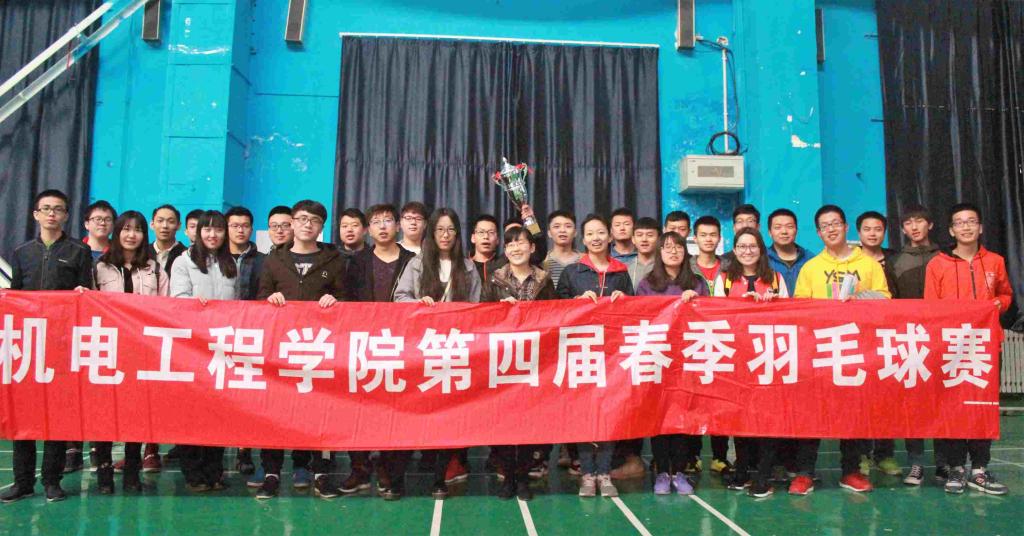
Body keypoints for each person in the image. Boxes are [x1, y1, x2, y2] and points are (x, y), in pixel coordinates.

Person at [791, 204, 891, 495]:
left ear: (846, 227)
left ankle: (851, 471)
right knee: (812, 413)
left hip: (857, 349)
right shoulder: (811, 267)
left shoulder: (869, 265)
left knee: (853, 413)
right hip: (820, 350)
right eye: (825, 226)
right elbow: (799, 308)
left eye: (836, 223)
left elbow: (885, 299)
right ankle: (805, 473)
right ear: (818, 232)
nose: (831, 229)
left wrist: (860, 297)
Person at [1, 189, 93, 503]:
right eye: (46, 209)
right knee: (24, 416)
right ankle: (22, 482)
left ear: (66, 215)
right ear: (36, 214)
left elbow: (86, 296)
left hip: (62, 344)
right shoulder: (22, 252)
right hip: (28, 346)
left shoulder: (78, 252)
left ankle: (52, 480)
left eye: (58, 209)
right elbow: (13, 299)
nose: (52, 214)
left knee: (57, 415)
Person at [254, 200, 348, 500]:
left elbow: (347, 301)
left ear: (322, 227)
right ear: (292, 223)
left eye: (315, 220)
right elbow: (261, 297)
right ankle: (271, 473)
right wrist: (270, 299)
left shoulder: (334, 260)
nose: (308, 224)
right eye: (303, 219)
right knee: (274, 411)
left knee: (320, 412)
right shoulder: (274, 260)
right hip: (281, 350)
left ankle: (320, 473)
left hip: (319, 350)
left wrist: (335, 301)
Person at [394, 208, 482, 499]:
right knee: (414, 414)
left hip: (454, 350)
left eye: (450, 230)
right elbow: (400, 297)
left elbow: (477, 308)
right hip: (421, 349)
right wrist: (419, 304)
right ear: (431, 233)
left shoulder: (467, 267)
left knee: (447, 417)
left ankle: (439, 477)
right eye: (440, 229)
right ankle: (398, 477)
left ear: (458, 234)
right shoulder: (417, 263)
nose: (445, 235)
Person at [925, 202, 1012, 496]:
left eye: (971, 221)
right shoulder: (937, 264)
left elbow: (1006, 294)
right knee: (952, 407)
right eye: (960, 222)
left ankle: (979, 468)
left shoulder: (996, 261)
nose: (966, 227)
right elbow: (930, 308)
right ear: (951, 230)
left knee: (982, 406)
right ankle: (955, 467)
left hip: (986, 347)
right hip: (951, 347)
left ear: (980, 227)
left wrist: (1000, 304)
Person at [339, 203, 416, 500]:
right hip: (363, 345)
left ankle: (391, 473)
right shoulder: (357, 262)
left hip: (402, 347)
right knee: (358, 410)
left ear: (397, 226)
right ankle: (359, 469)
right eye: (376, 222)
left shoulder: (413, 260)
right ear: (368, 229)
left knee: (397, 412)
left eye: (388, 220)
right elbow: (346, 300)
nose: (382, 226)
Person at [90, 211, 170, 494]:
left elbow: (167, 309)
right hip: (107, 349)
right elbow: (89, 306)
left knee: (136, 412)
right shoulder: (100, 267)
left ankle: (132, 471)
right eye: (126, 229)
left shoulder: (155, 269)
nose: (131, 234)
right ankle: (103, 472)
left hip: (141, 350)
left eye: (137, 230)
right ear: (117, 232)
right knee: (104, 412)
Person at [556, 214, 633, 498]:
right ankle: (587, 474)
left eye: (601, 232)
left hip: (612, 354)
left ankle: (605, 473)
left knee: (609, 414)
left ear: (610, 236)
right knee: (584, 415)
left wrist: (625, 301)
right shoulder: (572, 272)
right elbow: (555, 310)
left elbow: (636, 311)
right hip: (581, 351)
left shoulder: (621, 273)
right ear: (583, 238)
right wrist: (575, 303)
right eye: (590, 234)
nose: (596, 238)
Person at [713, 228, 788, 498]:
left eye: (752, 246)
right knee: (740, 418)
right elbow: (715, 316)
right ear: (734, 250)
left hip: (769, 359)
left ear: (761, 249)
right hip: (737, 360)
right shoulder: (724, 280)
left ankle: (763, 474)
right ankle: (742, 469)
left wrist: (772, 305)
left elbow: (792, 316)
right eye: (742, 246)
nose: (747, 251)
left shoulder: (776, 279)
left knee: (768, 418)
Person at [484, 226, 557, 501]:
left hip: (535, 360)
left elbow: (555, 316)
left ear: (532, 247)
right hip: (502, 360)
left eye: (521, 243)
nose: (516, 248)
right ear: (505, 250)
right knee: (502, 422)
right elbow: (480, 317)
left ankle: (523, 477)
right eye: (510, 244)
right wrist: (499, 310)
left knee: (529, 422)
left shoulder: (544, 280)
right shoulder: (494, 280)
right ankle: (508, 477)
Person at [169, 211, 239, 493]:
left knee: (219, 413)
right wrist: (194, 306)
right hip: (192, 348)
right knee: (191, 413)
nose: (213, 235)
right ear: (197, 233)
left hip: (222, 348)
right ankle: (193, 473)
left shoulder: (230, 263)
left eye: (218, 230)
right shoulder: (183, 261)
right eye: (207, 230)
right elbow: (178, 300)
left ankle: (214, 471)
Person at [636, 231, 706, 496]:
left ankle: (680, 471)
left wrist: (695, 302)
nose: (673, 252)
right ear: (659, 253)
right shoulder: (647, 284)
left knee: (682, 418)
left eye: (678, 247)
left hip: (687, 360)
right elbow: (639, 317)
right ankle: (662, 472)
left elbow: (709, 317)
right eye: (667, 247)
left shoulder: (697, 283)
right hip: (658, 359)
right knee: (659, 418)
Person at [887, 204, 940, 486]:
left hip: (944, 340)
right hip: (910, 340)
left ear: (930, 225)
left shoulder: (947, 258)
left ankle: (946, 463)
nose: (914, 227)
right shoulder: (896, 261)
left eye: (919, 221)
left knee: (944, 401)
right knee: (913, 405)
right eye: (908, 223)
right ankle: (916, 462)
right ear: (903, 229)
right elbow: (891, 302)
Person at [66, 199, 116, 472]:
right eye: (97, 219)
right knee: (75, 390)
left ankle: (99, 447)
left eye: (107, 219)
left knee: (103, 393)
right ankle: (72, 447)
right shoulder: (74, 251)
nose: (102, 223)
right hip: (78, 330)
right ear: (86, 223)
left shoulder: (119, 254)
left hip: (111, 332)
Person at [686, 216, 731, 472]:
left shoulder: (730, 266)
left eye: (713, 234)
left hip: (724, 338)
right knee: (694, 399)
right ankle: (692, 455)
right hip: (694, 339)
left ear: (719, 238)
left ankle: (720, 456)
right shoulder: (686, 266)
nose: (708, 239)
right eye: (703, 235)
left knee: (720, 400)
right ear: (695, 238)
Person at [765, 208, 811, 293]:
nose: (784, 231)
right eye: (777, 227)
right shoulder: (762, 259)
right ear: (770, 232)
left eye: (789, 227)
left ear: (796, 230)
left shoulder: (809, 259)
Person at [857, 210, 898, 293]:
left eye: (878, 229)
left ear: (884, 233)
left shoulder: (896, 259)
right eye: (867, 229)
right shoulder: (850, 258)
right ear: (859, 233)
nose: (872, 234)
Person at [541, 210, 582, 289]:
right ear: (549, 233)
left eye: (568, 226)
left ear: (575, 232)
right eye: (557, 226)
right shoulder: (543, 262)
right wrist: (530, 220)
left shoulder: (585, 261)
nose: (562, 230)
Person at [149, 204, 187, 276]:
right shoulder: (143, 253)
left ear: (178, 226)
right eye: (160, 221)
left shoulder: (186, 255)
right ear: (152, 224)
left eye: (171, 221)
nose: (165, 226)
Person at [470, 214, 507, 287]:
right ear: (473, 238)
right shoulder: (463, 265)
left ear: (498, 240)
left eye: (491, 232)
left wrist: (529, 221)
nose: (486, 236)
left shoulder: (504, 264)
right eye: (481, 232)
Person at [624, 217, 659, 291]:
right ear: (633, 239)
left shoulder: (667, 267)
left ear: (659, 239)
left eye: (650, 235)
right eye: (639, 235)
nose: (644, 239)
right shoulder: (624, 268)